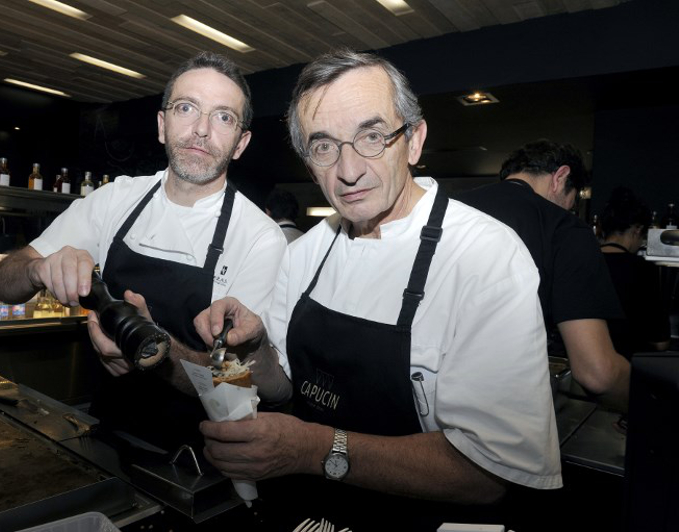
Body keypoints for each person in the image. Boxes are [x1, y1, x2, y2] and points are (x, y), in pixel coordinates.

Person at [194, 50, 560, 529]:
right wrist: (258, 351)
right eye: (323, 146)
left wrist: (312, 449)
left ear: (413, 141)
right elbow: (285, 388)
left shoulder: (485, 255)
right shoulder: (305, 253)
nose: (348, 171)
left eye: (371, 137)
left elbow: (488, 473)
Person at [0, 52, 287, 450]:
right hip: (103, 434)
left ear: (240, 143)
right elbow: (0, 283)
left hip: (197, 458)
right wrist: (37, 270)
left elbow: (237, 384)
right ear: (162, 125)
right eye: (186, 108)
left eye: (223, 117)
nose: (201, 130)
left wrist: (153, 350)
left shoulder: (260, 237)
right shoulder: (115, 200)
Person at [459, 140, 631, 412]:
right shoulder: (564, 228)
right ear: (560, 177)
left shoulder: (446, 209)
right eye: (571, 201)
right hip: (500, 407)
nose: (568, 210)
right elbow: (598, 373)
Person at [599, 187, 670, 358]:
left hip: (585, 365)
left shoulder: (583, 261)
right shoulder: (643, 270)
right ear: (637, 230)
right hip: (628, 368)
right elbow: (661, 343)